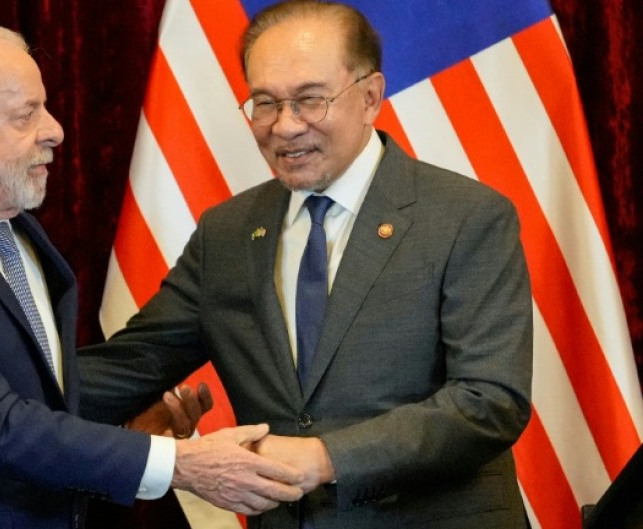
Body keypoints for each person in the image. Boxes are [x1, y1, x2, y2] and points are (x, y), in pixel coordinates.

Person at [0, 22, 305, 529]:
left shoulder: (14, 231)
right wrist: (180, 466)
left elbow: (36, 395)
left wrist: (125, 424)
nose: (55, 129)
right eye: (26, 114)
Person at [78, 1, 533, 528]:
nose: (285, 126)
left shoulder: (466, 217)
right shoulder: (226, 232)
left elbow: (490, 400)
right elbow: (126, 368)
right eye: (265, 103)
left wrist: (324, 458)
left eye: (310, 100)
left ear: (369, 97)